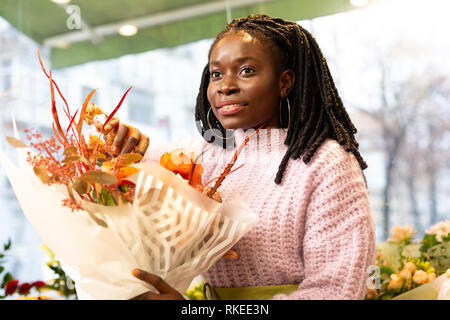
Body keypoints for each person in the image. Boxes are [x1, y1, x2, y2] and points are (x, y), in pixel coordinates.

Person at [119, 13, 376, 300]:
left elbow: (336, 291)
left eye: (246, 71)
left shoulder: (326, 163)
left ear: (285, 82)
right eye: (216, 73)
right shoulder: (203, 155)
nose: (224, 86)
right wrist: (121, 146)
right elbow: (130, 160)